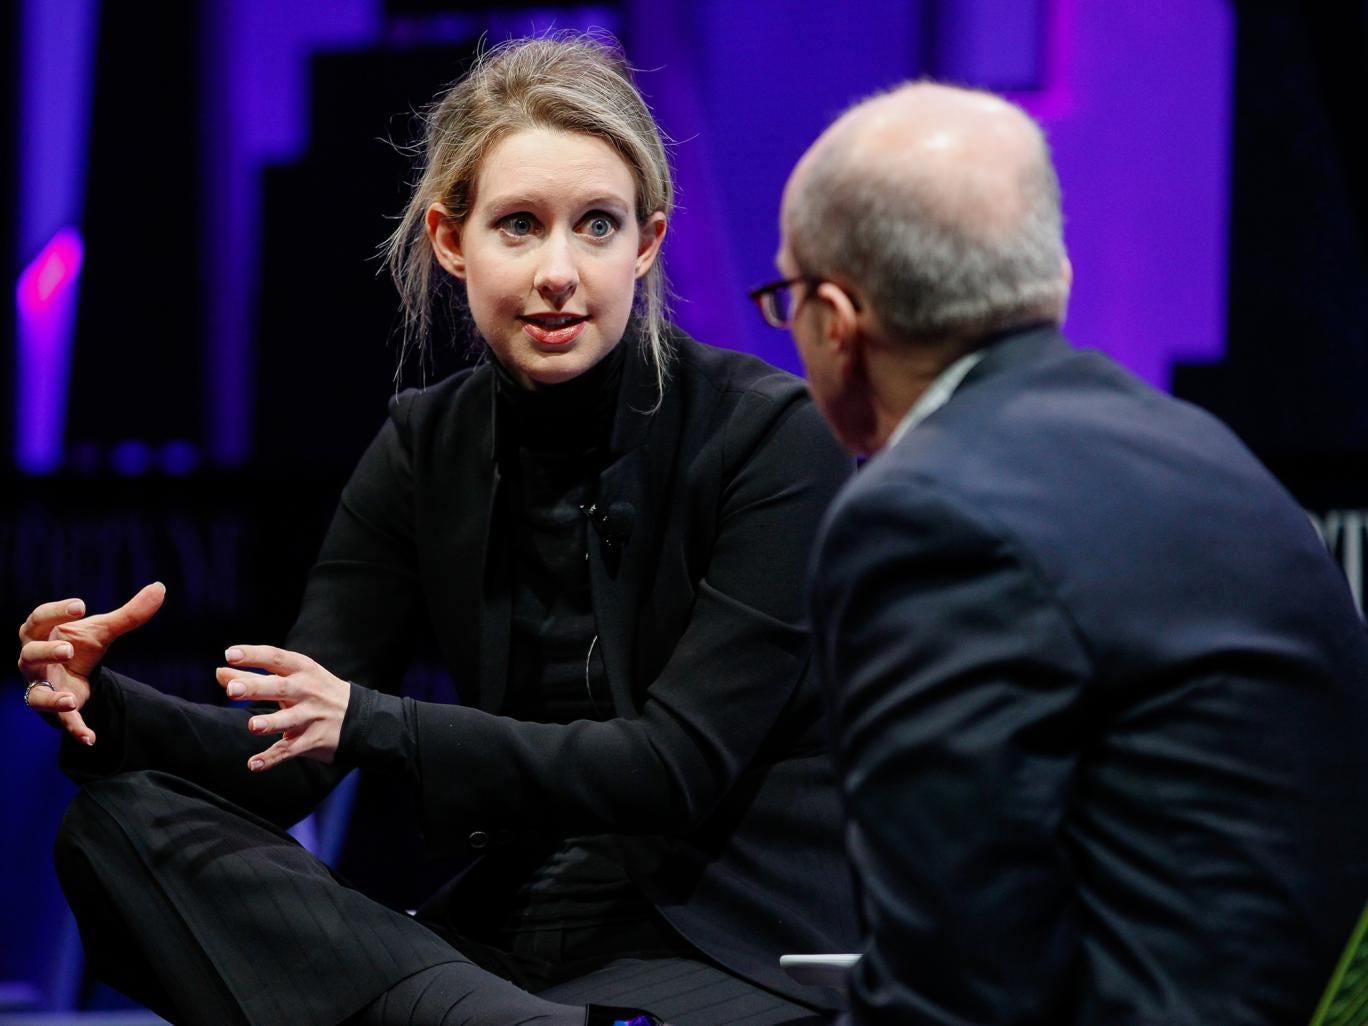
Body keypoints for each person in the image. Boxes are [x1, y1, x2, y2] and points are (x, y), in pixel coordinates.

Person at [16, 34, 858, 1026]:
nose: (559, 271)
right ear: (452, 241)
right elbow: (294, 751)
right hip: (500, 949)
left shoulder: (769, 436)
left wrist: (377, 722)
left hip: (728, 941)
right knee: (121, 824)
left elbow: (674, 768)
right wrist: (102, 705)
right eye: (518, 226)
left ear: (648, 243)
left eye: (596, 226)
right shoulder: (427, 444)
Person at [759, 81, 1368, 1025]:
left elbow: (956, 991)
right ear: (1056, 279)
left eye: (786, 297)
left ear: (836, 322)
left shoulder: (920, 514)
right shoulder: (1206, 448)